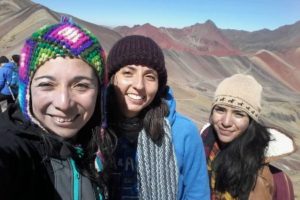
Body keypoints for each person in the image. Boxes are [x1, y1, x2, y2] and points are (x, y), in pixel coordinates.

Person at [0, 19, 113, 199]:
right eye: (46, 84)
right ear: (27, 91)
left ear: (99, 92)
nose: (64, 103)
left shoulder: (99, 145)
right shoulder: (13, 149)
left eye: (81, 85)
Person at [106, 35, 210, 200]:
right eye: (128, 73)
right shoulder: (96, 128)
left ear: (159, 85)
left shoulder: (183, 132)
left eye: (150, 76)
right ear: (112, 78)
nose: (139, 85)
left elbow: (197, 195)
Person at [201, 74, 294, 199]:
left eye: (238, 114)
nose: (226, 122)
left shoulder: (275, 180)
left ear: (251, 121)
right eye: (220, 110)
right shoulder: (196, 153)